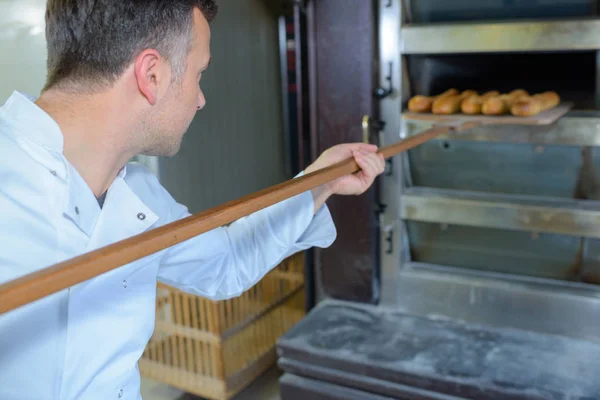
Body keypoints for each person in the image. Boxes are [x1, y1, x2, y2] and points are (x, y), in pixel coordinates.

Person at [0, 1, 385, 399]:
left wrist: (320, 181)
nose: (200, 99)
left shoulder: (136, 192)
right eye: (199, 74)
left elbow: (225, 263)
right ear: (152, 75)